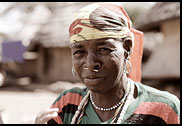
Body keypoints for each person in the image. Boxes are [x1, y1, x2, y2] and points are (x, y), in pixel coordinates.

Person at [35, 3, 180, 124]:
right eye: (79, 52)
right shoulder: (68, 104)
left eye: (104, 49)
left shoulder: (163, 109)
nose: (91, 63)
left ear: (127, 48)